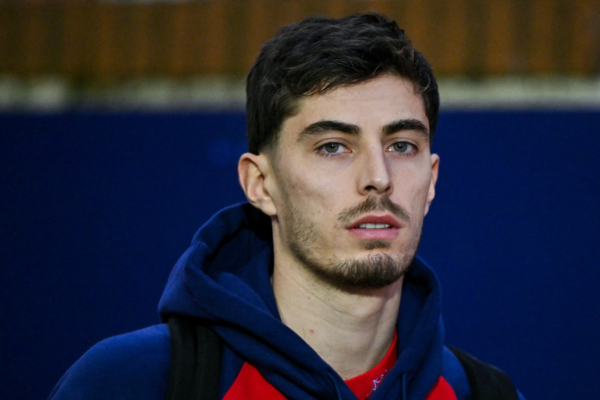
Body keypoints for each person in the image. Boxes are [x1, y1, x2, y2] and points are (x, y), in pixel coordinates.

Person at [49, 12, 525, 400]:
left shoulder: (485, 394)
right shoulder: (129, 384)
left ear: (432, 179)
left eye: (402, 146)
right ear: (260, 183)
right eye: (333, 147)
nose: (379, 178)